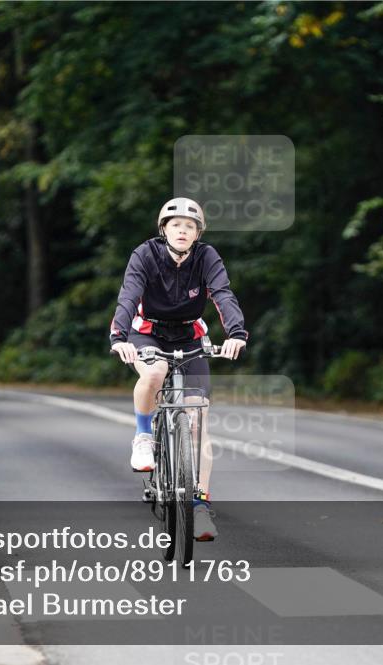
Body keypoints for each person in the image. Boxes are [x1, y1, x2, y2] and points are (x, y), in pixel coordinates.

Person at [109, 197, 248, 541]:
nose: (183, 231)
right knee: (154, 374)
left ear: (198, 233)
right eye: (176, 225)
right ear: (164, 230)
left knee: (199, 418)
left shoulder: (206, 257)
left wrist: (236, 333)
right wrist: (118, 337)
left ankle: (199, 506)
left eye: (190, 226)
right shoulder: (145, 255)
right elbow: (128, 296)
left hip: (189, 335)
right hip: (146, 334)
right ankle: (143, 435)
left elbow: (223, 294)